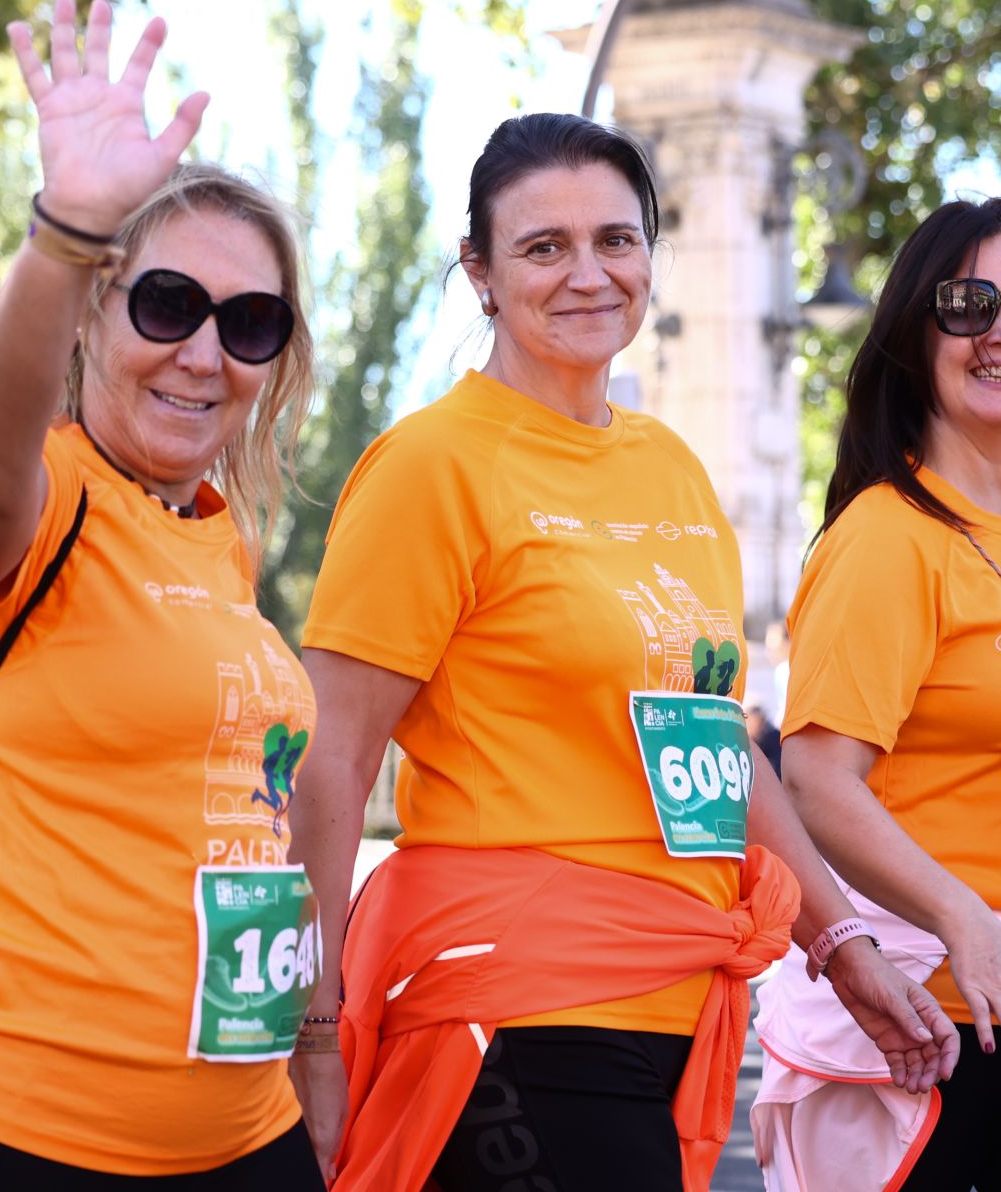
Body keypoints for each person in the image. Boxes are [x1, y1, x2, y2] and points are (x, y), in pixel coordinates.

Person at [287, 112, 956, 1192]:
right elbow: (331, 758)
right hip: (512, 1000)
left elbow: (720, 750)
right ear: (481, 273)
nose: (588, 273)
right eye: (543, 246)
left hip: (676, 998)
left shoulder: (673, 471)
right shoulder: (430, 466)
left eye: (616, 239)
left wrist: (843, 947)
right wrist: (310, 1029)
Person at [0, 0, 325, 1188]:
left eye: (251, 322)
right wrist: (67, 231)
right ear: (93, 314)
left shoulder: (216, 541)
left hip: (244, 1130)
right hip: (11, 1134)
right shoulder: (43, 497)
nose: (204, 350)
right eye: (168, 303)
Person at [759, 197, 1001, 1190]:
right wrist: (962, 918)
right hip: (927, 1022)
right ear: (913, 335)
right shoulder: (887, 536)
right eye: (969, 304)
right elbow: (815, 777)